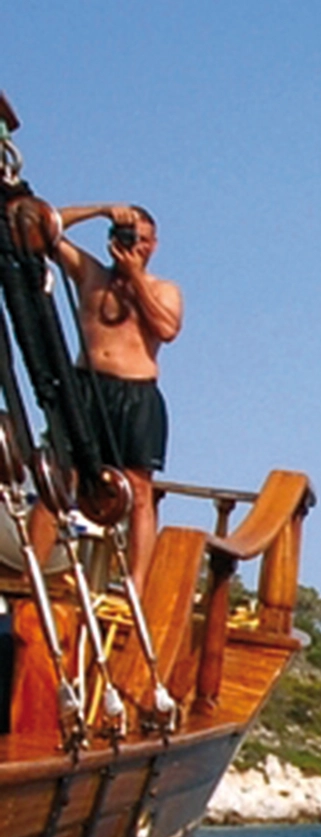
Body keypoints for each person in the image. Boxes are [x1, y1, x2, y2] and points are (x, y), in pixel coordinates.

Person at [50, 203, 180, 584]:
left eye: (141, 240)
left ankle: (137, 582)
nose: (134, 245)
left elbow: (167, 329)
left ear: (153, 245)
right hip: (87, 385)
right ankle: (32, 573)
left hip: (136, 392)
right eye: (127, 237)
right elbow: (43, 227)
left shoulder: (164, 290)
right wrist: (101, 210)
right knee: (63, 477)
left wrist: (136, 277)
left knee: (139, 489)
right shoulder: (91, 274)